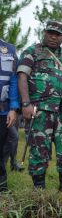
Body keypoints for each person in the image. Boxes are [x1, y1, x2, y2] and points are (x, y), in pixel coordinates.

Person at [17, 21, 62, 193]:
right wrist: (26, 103)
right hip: (40, 109)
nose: (54, 36)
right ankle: (39, 187)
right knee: (39, 148)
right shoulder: (32, 52)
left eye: (58, 34)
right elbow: (22, 77)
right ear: (44, 33)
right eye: (51, 33)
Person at [0, 38, 19, 192]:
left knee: (1, 150)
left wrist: (13, 108)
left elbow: (13, 80)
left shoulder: (9, 49)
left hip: (3, 109)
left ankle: (2, 188)